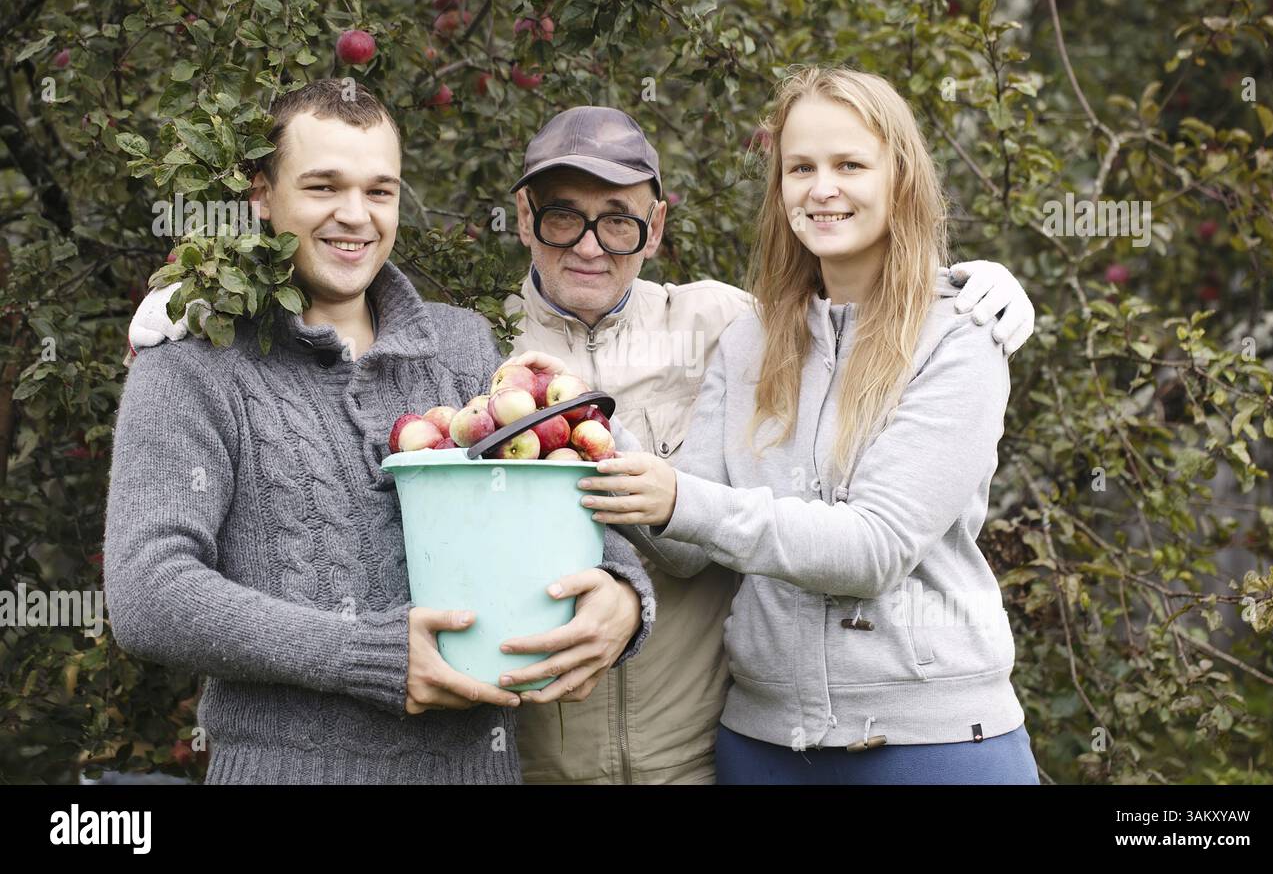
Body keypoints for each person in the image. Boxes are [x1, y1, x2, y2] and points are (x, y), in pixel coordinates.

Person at [128, 103, 1036, 784]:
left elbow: (851, 325)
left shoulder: (730, 326)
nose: (592, 244)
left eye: (620, 220)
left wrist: (977, 289)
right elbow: (155, 588)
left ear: (657, 227)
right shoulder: (481, 348)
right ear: (525, 219)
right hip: (536, 761)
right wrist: (192, 300)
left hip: (698, 756)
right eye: (564, 216)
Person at [104, 79, 654, 784]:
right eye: (324, 187)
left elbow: (556, 504)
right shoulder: (192, 364)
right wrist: (366, 654)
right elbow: (149, 593)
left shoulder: (460, 347)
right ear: (262, 194)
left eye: (379, 191)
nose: (355, 215)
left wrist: (622, 593)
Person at [577, 66, 1040, 784]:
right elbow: (689, 547)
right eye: (801, 168)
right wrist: (592, 428)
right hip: (763, 745)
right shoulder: (750, 339)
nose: (822, 188)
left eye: (850, 165)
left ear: (900, 177)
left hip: (932, 746)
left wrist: (681, 499)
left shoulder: (960, 334)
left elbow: (874, 549)